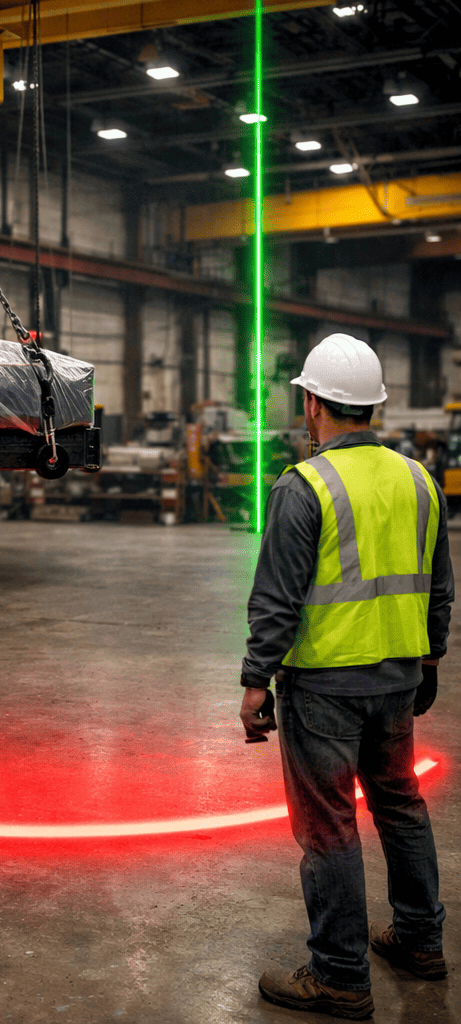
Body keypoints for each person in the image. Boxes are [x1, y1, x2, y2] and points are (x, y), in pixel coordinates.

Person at [239, 333, 452, 1020]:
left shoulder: (304, 487)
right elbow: (440, 589)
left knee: (329, 826)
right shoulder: (419, 479)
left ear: (311, 404)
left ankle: (338, 975)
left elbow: (276, 598)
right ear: (373, 408)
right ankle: (420, 941)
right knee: (400, 807)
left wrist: (254, 681)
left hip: (324, 686)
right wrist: (430, 659)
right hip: (397, 681)